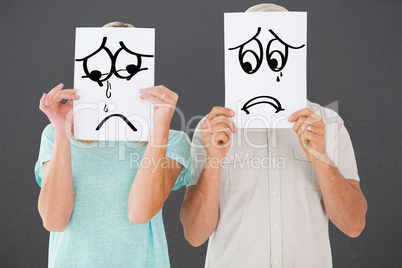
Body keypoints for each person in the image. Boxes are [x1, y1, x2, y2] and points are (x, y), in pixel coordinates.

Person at [180, 4, 367, 268]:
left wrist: (321, 158)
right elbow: (195, 234)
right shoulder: (212, 130)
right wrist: (213, 161)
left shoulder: (329, 124)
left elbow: (354, 225)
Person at [34, 22, 191, 267]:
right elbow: (54, 221)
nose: (111, 83)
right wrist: (62, 132)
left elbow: (140, 213)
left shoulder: (172, 141)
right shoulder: (54, 136)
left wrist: (160, 125)